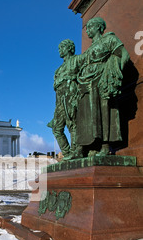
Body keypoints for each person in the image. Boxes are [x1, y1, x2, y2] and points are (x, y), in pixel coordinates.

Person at [76, 17, 130, 156]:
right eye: (87, 27)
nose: (87, 30)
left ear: (99, 27)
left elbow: (124, 55)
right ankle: (94, 144)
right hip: (87, 84)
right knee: (91, 116)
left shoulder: (109, 39)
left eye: (91, 26)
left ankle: (106, 146)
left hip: (101, 81)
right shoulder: (88, 50)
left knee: (105, 112)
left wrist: (115, 74)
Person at [47, 39, 82, 160]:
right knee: (56, 128)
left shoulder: (77, 60)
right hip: (60, 100)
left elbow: (86, 75)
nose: (60, 50)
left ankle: (76, 151)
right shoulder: (59, 69)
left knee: (72, 124)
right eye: (59, 48)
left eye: (62, 48)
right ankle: (67, 153)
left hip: (71, 95)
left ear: (69, 48)